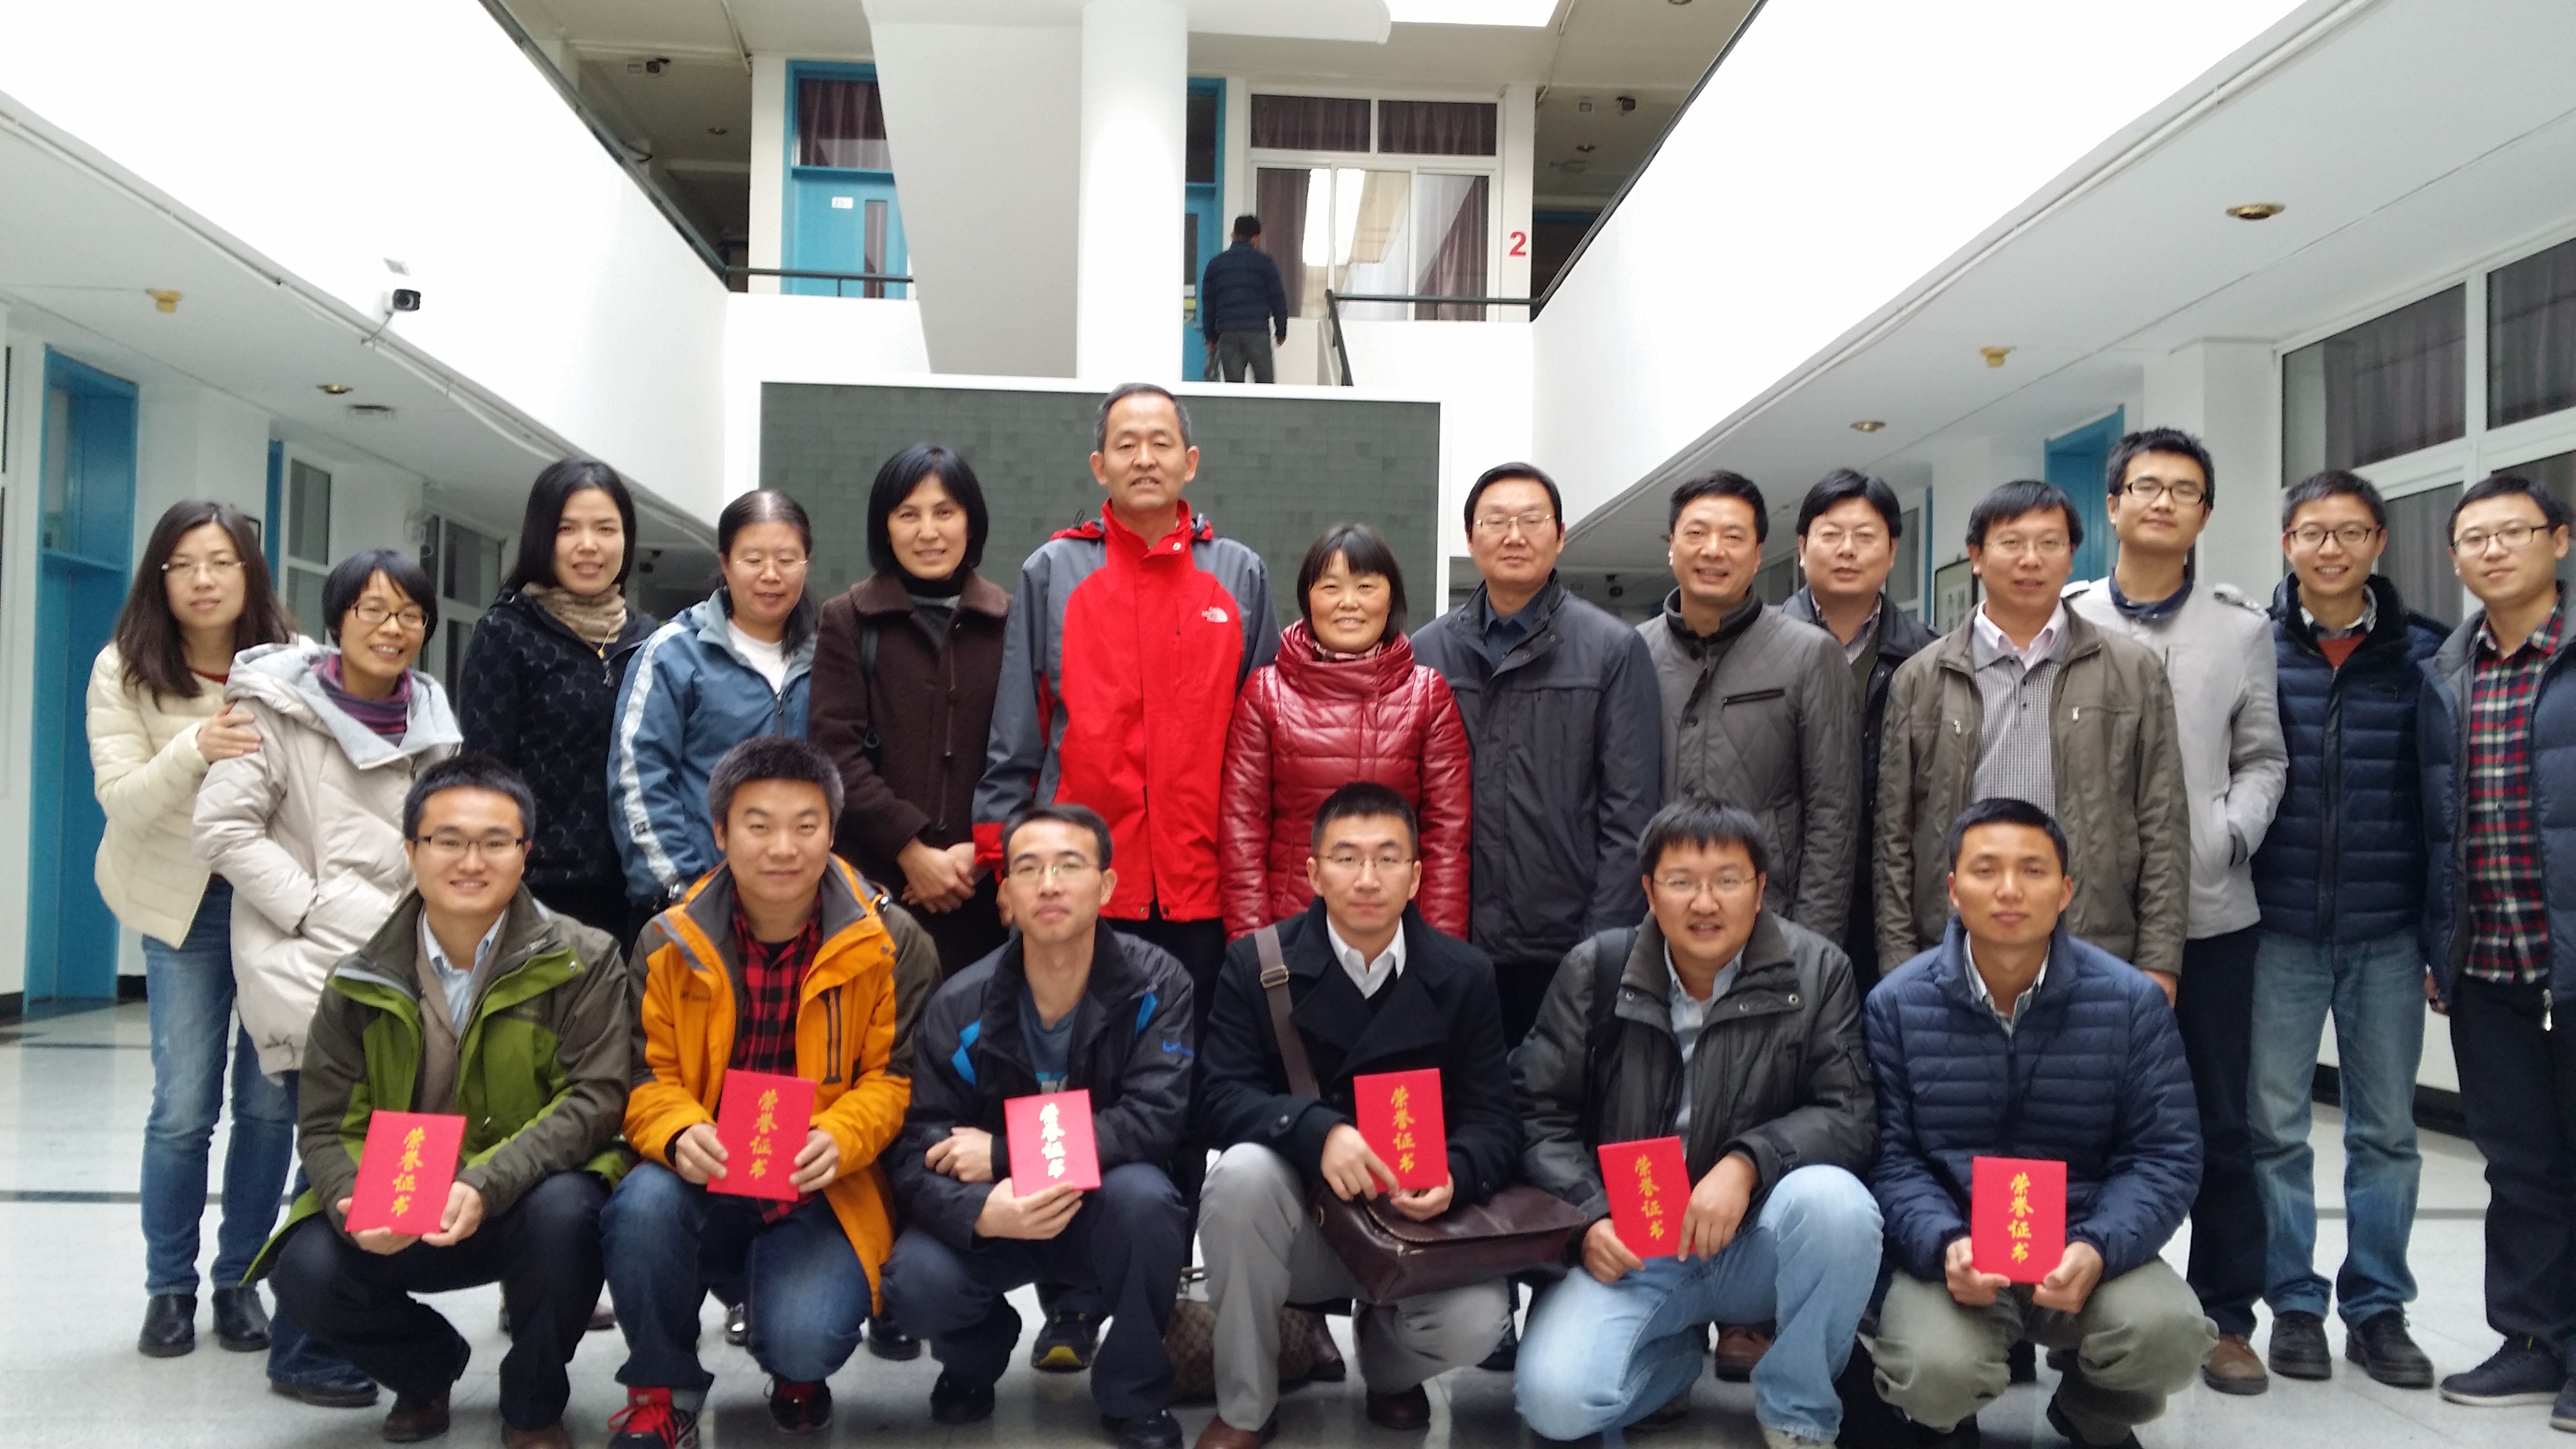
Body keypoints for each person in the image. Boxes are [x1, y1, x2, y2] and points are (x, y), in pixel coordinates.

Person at [258, 756, 629, 1449]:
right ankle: (427, 1369)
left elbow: (597, 1098)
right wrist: (351, 1199)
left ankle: (533, 1404)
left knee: (573, 1214)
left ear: (525, 852)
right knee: (304, 1268)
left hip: (523, 1197)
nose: (471, 861)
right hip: (402, 1199)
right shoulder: (359, 976)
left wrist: (485, 1184)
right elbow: (326, 1123)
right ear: (411, 851)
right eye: (447, 840)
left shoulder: (583, 960)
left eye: (495, 842)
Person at [600, 736, 939, 1448]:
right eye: (758, 826)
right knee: (641, 1207)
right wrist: (677, 1130)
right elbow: (644, 1073)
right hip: (705, 1170)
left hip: (823, 1180)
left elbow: (898, 1077)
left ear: (832, 831)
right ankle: (663, 1389)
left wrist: (842, 1136)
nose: (783, 848)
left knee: (805, 1339)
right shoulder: (668, 941)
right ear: (721, 833)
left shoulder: (891, 941)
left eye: (805, 825)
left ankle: (793, 1365)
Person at [1511, 798, 1880, 1449]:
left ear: (1760, 889)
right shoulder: (1597, 970)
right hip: (1635, 1243)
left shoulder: (1819, 971)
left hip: (1757, 1235)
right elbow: (1538, 1114)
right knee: (1555, 1404)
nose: (1704, 903)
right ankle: (1673, 1361)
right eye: (1681, 881)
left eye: (1727, 881)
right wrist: (1589, 1218)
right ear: (1650, 891)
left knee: (1839, 1207)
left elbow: (1849, 1112)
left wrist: (1747, 1163)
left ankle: (1796, 1410)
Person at [195, 546, 461, 1410]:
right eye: (372, 610)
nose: (392, 628)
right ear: (338, 618)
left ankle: (362, 1332)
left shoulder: (433, 718)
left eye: (410, 614)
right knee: (332, 1158)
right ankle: (306, 1347)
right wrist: (316, 909)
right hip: (308, 958)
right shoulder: (274, 709)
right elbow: (224, 829)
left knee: (391, 1153)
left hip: (408, 967)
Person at [1866, 798, 2216, 1448]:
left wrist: (2100, 1245)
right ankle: (1950, 1418)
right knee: (1932, 1369)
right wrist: (1945, 1244)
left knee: (2168, 1334)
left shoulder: (2131, 1003)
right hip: (1959, 1251)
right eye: (1986, 870)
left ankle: (2091, 1415)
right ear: (1953, 889)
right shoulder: (1897, 1005)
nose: (2009, 890)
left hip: (2083, 1242)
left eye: (2033, 870)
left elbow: (2165, 1156)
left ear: (2065, 891)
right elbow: (1890, 1158)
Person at [1194, 784, 1518, 1446]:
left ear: (1416, 876)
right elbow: (1218, 1098)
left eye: (1387, 859)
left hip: (1416, 1224)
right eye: (1346, 858)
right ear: (1314, 873)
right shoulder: (1259, 964)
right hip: (1303, 1221)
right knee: (1239, 1176)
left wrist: (1456, 1173)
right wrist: (1317, 1131)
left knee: (1479, 1322)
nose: (1367, 878)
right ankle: (1247, 1405)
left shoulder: (1464, 975)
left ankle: (1387, 1365)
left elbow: (1496, 1120)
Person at [2065, 427, 2286, 1393]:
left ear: (2204, 512)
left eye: (2183, 489)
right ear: (2112, 505)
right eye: (2145, 486)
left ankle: (2227, 1315)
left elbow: (2265, 756)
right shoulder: (2067, 614)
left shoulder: (2240, 630)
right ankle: (2064, 1299)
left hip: (2207, 914)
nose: (2161, 502)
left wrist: (2227, 834)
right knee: (2073, 1114)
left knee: (2223, 1121)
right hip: (2084, 920)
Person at [884, 804, 1196, 1449]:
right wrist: (980, 1211)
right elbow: (918, 1148)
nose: (1048, 885)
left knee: (1151, 1204)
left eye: (1069, 866)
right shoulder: (959, 1005)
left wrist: (1007, 1155)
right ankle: (974, 1358)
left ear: (1106, 886)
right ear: (1005, 895)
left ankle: (1134, 1392)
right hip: (997, 1210)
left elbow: (1155, 1119)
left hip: (1101, 1200)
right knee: (914, 1283)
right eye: (1028, 869)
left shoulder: (1156, 985)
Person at [2245, 471, 2444, 1389]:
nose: (2331, 549)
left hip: (2387, 932)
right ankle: (2293, 1301)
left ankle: (2377, 1308)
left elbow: (2442, 804)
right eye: (2314, 532)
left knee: (2387, 1131)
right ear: (2288, 542)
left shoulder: (2423, 655)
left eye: (2351, 532)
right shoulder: (2254, 648)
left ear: (2379, 543)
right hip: (2277, 928)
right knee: (2276, 1128)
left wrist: (2441, 932)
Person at [89, 500, 300, 1359]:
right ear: (161, 576)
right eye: (183, 565)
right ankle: (168, 1289)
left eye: (220, 562)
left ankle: (240, 1280)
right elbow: (122, 800)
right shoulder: (125, 667)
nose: (203, 580)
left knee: (269, 1104)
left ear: (249, 572)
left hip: (272, 906)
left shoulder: (291, 663)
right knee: (183, 1106)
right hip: (181, 908)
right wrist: (195, 748)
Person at [1875, 479, 2189, 987]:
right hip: (1952, 947)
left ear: (2071, 557)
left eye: (2050, 543)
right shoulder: (1921, 678)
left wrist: (2158, 961)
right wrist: (1899, 964)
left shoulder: (2133, 671)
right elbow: (1894, 836)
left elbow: (2163, 822)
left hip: (2094, 945)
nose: (2031, 560)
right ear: (1976, 556)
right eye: (2012, 543)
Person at [2419, 472, 2576, 1425]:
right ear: (2455, 557)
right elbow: (2436, 822)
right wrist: (2439, 941)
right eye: (2474, 538)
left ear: (2559, 540)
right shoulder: (2445, 672)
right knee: (2519, 1165)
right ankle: (2532, 1338)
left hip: (2571, 954)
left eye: (2513, 531)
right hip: (2488, 962)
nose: (2493, 550)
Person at [1410, 461, 1662, 1048]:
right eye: (1496, 521)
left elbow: (1630, 815)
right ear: (1470, 537)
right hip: (1450, 940)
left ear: (1561, 534)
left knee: (1556, 1096)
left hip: (1565, 945)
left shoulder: (1612, 649)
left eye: (1531, 520)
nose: (1514, 535)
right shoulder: (1427, 651)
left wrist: (1600, 948)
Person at [812, 443, 1009, 978]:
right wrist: (910, 850)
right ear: (885, 526)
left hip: (983, 895)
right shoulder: (848, 620)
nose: (928, 532)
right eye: (908, 515)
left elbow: (1024, 755)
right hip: (874, 886)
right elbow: (835, 754)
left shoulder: (1009, 623)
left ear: (971, 522)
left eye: (945, 512)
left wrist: (984, 853)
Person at [1219, 524, 1470, 941]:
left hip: (1398, 938)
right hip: (1292, 934)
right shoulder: (1266, 692)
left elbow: (1448, 841)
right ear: (1308, 599)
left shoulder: (1428, 695)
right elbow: (1241, 834)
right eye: (1331, 587)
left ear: (1391, 599)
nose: (1349, 602)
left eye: (1366, 586)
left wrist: (1441, 955)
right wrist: (1258, 951)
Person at [1641, 470, 1860, 942]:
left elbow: (1833, 815)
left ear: (1758, 553)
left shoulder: (1811, 655)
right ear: (1672, 546)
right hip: (1654, 921)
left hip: (1769, 920)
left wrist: (1812, 944)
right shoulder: (1634, 652)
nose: (1713, 550)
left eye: (1733, 536)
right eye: (1697, 533)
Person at [457, 457, 659, 944]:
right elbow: (486, 773)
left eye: (605, 528)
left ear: (627, 538)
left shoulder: (652, 640)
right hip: (537, 891)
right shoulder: (506, 633)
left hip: (640, 891)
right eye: (568, 529)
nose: (589, 545)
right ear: (541, 537)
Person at [610, 489, 817, 914]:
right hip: (694, 901)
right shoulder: (674, 654)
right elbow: (639, 778)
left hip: (802, 906)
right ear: (725, 564)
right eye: (753, 560)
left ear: (806, 564)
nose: (770, 575)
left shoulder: (831, 657)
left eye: (786, 559)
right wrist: (683, 890)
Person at [1779, 469, 1939, 987]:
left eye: (1866, 536)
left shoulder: (1929, 656)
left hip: (1890, 900)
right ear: (1802, 548)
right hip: (1782, 890)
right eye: (1831, 534)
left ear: (1892, 552)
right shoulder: (1759, 648)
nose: (1847, 550)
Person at [1200, 214, 1289, 384]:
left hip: (1228, 333)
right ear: (1255, 238)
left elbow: (1209, 304)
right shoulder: (1265, 263)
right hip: (1257, 332)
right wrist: (1281, 331)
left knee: (1234, 389)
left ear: (1233, 235)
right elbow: (1278, 299)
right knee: (1265, 386)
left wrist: (1210, 337)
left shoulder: (1216, 265)